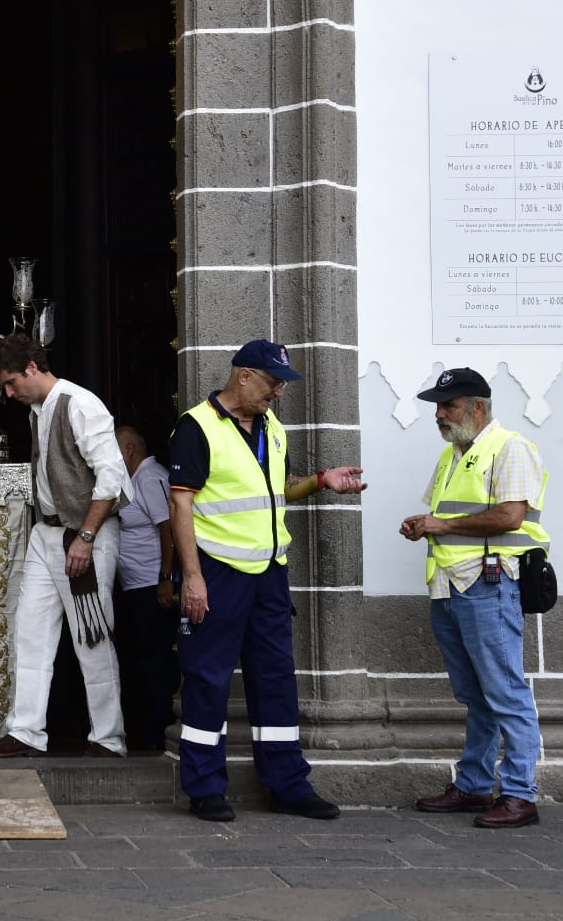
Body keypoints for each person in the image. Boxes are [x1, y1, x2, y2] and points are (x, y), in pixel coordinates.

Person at [169, 340, 366, 822]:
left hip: (269, 574)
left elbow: (279, 489)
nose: (279, 392)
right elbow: (180, 504)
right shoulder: (196, 426)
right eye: (274, 382)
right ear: (244, 376)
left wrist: (321, 482)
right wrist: (192, 579)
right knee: (208, 678)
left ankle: (287, 784)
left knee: (276, 678)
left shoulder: (273, 428)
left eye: (282, 384)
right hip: (218, 572)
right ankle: (205, 787)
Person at [399, 367, 546, 829]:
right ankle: (476, 786)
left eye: (449, 405)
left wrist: (441, 526)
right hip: (450, 583)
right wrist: (422, 523)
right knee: (476, 695)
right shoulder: (453, 454)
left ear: (477, 407)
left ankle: (520, 794)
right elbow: (446, 513)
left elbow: (510, 516)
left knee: (506, 692)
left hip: (490, 584)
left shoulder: (510, 447)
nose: (439, 414)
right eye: (438, 406)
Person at [0, 334, 133, 759]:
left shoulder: (80, 403)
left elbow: (111, 478)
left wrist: (85, 537)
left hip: (83, 535)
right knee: (29, 632)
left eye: (11, 382)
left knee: (92, 637)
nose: (9, 393)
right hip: (46, 534)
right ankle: (26, 731)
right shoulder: (37, 409)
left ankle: (108, 738)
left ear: (32, 367)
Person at [112, 424, 178, 752]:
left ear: (128, 450)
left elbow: (169, 527)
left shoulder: (150, 478)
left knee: (155, 661)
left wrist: (166, 579)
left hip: (152, 585)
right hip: (138, 585)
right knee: (143, 658)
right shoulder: (135, 479)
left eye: (113, 450)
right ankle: (148, 730)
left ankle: (158, 734)